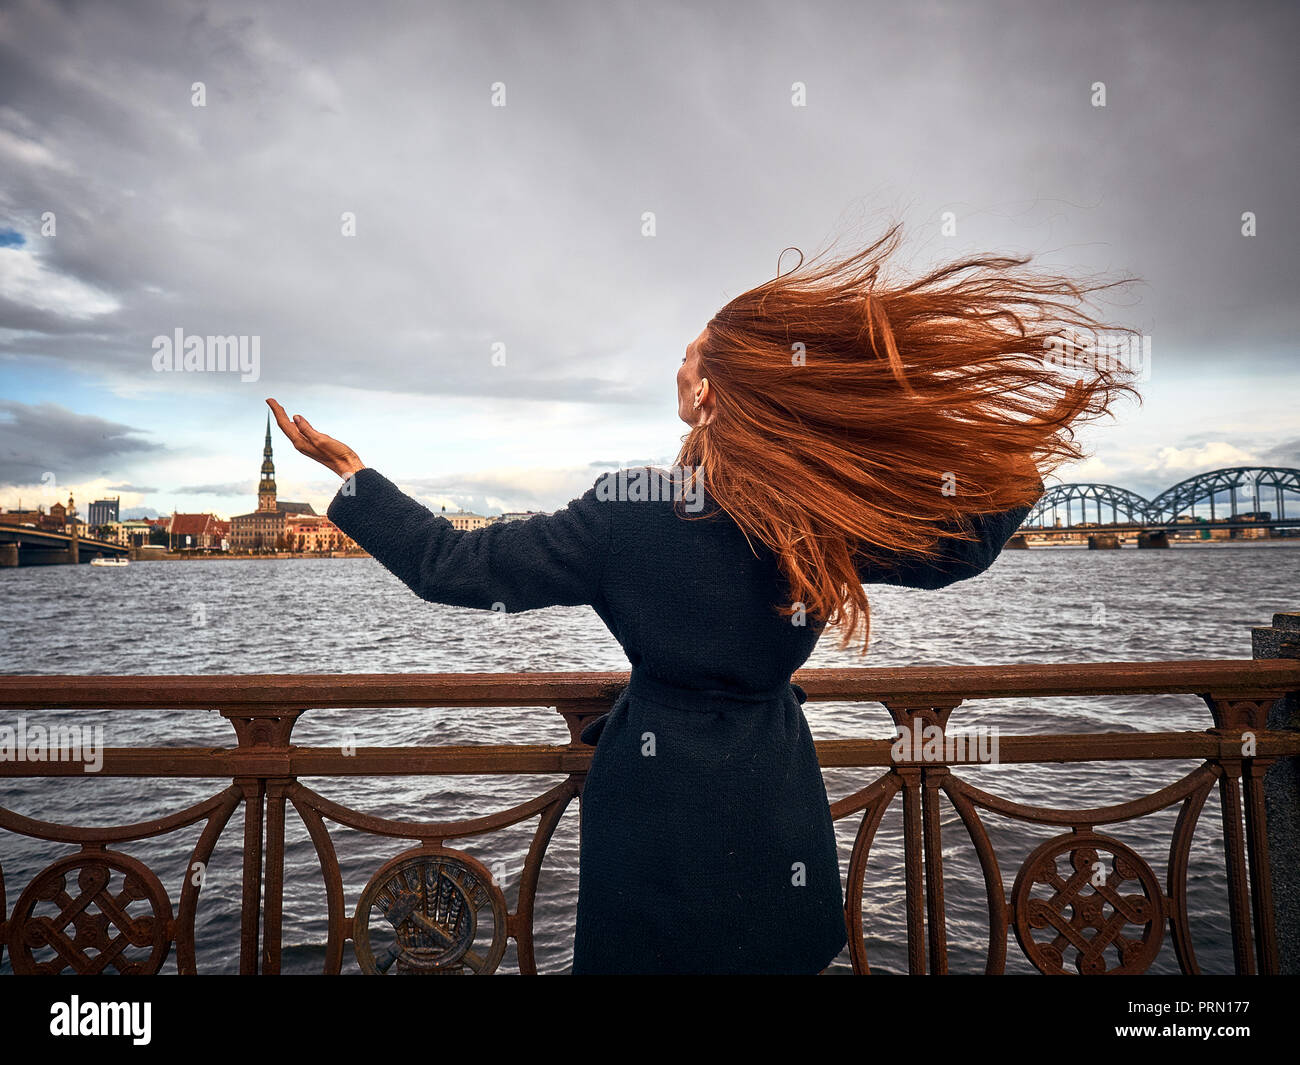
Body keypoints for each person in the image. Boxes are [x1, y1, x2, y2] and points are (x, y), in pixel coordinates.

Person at [267, 223, 1139, 974]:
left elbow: (449, 565)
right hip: (774, 799)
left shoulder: (626, 512)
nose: (677, 366)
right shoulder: (813, 517)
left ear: (707, 393)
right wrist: (979, 436)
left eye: (688, 356)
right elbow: (965, 547)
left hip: (653, 807)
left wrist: (355, 478)